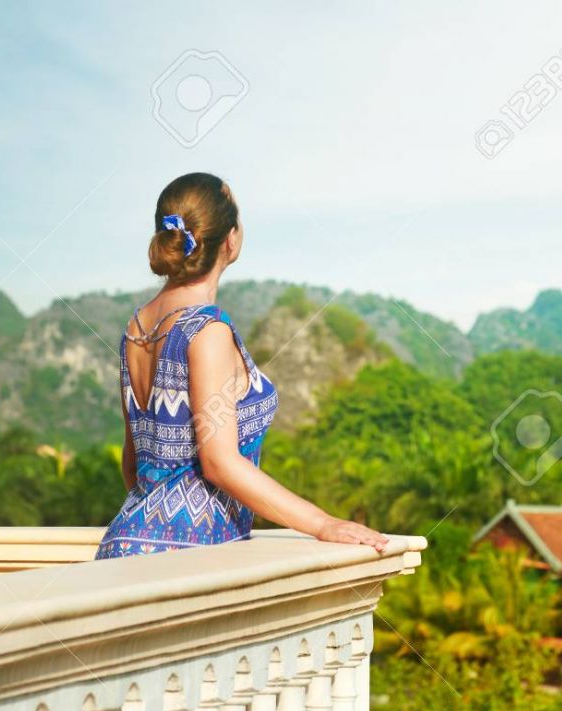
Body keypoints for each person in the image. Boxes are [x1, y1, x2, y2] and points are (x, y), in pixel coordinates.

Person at [95, 172, 389, 559]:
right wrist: (323, 523)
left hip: (121, 547)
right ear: (230, 239)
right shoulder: (206, 329)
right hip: (186, 555)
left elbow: (133, 466)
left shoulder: (135, 329)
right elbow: (219, 462)